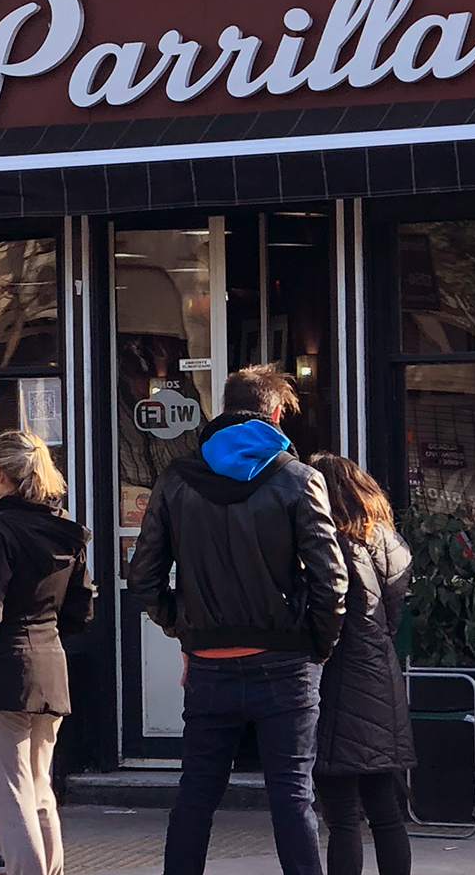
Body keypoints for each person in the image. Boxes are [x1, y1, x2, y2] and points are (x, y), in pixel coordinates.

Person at [127, 365, 346, 875]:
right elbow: (331, 581)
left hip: (209, 665)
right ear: (274, 413)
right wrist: (316, 646)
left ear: (222, 408)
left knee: (196, 795)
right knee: (293, 799)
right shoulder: (298, 479)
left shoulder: (176, 480)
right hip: (285, 664)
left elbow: (143, 576)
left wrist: (185, 629)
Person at [0, 430, 92, 875]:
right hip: (50, 666)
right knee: (39, 789)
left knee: (8, 795)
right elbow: (81, 610)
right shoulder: (67, 531)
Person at [306, 453, 414, 875]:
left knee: (343, 816)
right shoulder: (388, 541)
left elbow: (329, 609)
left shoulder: (331, 545)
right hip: (380, 674)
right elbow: (392, 610)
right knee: (385, 808)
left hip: (338, 676)